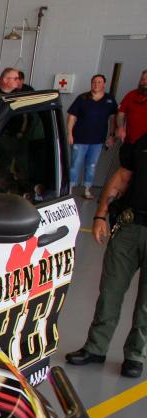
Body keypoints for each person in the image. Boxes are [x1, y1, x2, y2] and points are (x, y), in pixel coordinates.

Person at [65, 132, 147, 378]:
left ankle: (134, 355)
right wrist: (100, 215)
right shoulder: (142, 143)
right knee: (110, 290)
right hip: (130, 228)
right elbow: (122, 177)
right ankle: (96, 347)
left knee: (145, 304)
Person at [66, 74, 118, 199]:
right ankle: (69, 190)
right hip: (80, 138)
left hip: (97, 140)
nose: (96, 84)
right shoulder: (82, 98)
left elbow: (113, 119)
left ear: (104, 84)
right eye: (94, 82)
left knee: (91, 166)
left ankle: (87, 190)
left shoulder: (109, 100)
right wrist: (70, 133)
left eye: (99, 82)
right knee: (75, 165)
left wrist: (111, 135)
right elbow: (72, 116)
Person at [116, 69, 147, 145]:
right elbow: (121, 113)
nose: (145, 82)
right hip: (128, 141)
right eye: (143, 79)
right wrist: (120, 127)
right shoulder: (131, 94)